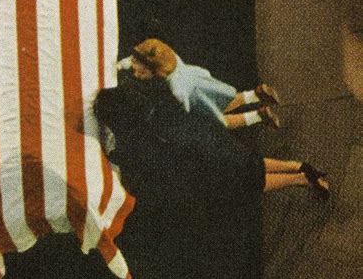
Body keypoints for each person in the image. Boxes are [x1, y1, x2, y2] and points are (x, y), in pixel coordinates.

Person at [95, 74, 330, 198]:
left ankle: (301, 178)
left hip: (201, 164)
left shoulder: (137, 138)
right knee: (250, 163)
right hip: (211, 138)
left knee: (251, 181)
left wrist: (117, 154)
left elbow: (148, 161)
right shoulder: (153, 99)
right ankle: (299, 166)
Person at [118, 38, 282, 130]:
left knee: (220, 122)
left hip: (196, 98)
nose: (136, 74)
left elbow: (184, 107)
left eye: (140, 72)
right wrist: (121, 65)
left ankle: (258, 116)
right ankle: (256, 94)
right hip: (200, 82)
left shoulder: (175, 90)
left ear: (155, 71)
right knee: (222, 100)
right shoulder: (168, 58)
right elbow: (134, 60)